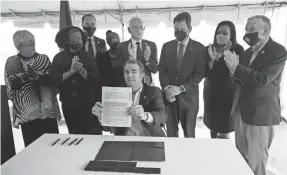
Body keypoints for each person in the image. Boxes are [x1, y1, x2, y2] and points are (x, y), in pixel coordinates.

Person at [224, 15, 287, 175]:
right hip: (241, 110)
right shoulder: (246, 53)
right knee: (241, 156)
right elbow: (240, 78)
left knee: (256, 161)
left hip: (260, 113)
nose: (247, 33)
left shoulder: (278, 51)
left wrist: (237, 68)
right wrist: (233, 71)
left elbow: (262, 78)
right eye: (246, 29)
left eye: (252, 30)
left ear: (266, 31)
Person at [4, 30, 61, 147]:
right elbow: (10, 86)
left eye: (33, 42)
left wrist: (37, 77)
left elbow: (52, 81)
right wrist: (22, 79)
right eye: (27, 44)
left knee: (52, 146)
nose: (32, 46)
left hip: (47, 110)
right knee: (32, 147)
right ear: (18, 46)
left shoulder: (43, 58)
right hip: (27, 114)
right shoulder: (12, 62)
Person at [159, 12, 206, 138]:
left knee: (189, 135)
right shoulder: (166, 46)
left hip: (188, 99)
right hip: (169, 99)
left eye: (182, 29)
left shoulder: (199, 48)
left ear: (190, 29)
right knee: (171, 134)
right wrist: (166, 89)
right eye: (176, 29)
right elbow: (162, 70)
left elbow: (199, 74)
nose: (178, 32)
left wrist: (180, 88)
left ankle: (189, 157)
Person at [92, 60, 166, 137]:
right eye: (127, 72)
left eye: (134, 72)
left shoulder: (154, 91)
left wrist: (144, 115)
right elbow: (108, 128)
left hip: (150, 137)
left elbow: (162, 115)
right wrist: (102, 116)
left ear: (141, 75)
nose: (129, 75)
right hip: (125, 139)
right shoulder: (116, 94)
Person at [50, 26, 102, 135]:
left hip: (88, 103)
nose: (78, 41)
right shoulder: (59, 58)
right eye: (74, 39)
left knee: (92, 133)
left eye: (80, 39)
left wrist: (83, 72)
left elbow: (96, 78)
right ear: (67, 41)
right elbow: (54, 80)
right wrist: (71, 72)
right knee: (75, 134)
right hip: (69, 104)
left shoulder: (88, 56)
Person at [203, 21, 244, 139]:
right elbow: (206, 73)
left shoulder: (238, 49)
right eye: (218, 32)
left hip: (228, 95)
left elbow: (236, 74)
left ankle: (223, 153)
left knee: (224, 128)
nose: (221, 35)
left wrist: (227, 54)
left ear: (232, 35)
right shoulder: (209, 49)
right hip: (211, 94)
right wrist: (212, 60)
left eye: (225, 33)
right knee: (212, 126)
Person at [115, 17, 158, 85]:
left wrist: (148, 60)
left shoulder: (151, 45)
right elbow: (117, 70)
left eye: (141, 27)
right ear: (129, 30)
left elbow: (155, 70)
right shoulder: (121, 46)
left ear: (144, 29)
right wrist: (131, 61)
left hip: (147, 85)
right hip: (128, 85)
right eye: (135, 27)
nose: (139, 30)